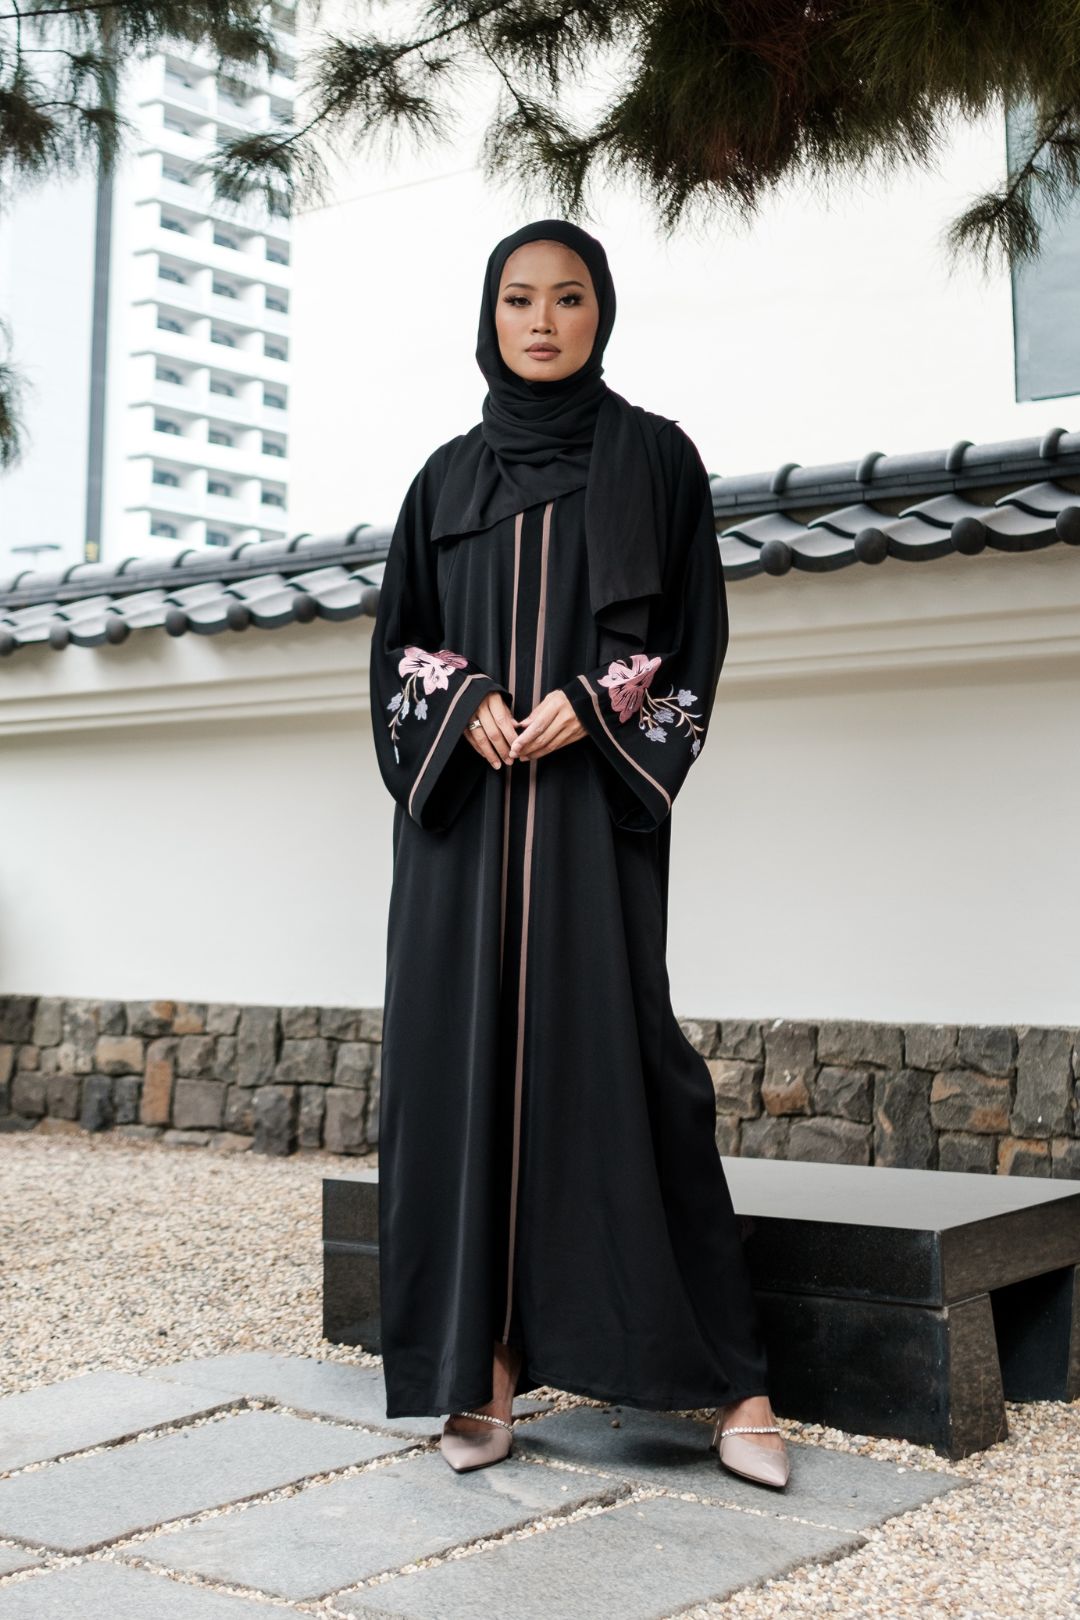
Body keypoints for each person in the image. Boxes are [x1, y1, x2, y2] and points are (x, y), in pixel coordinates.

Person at [368, 218, 789, 1491]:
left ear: (601, 313)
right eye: (517, 299)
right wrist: (464, 700)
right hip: (464, 838)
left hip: (590, 831)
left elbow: (691, 640)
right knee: (462, 1078)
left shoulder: (655, 459)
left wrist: (598, 706)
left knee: (633, 1074)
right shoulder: (444, 479)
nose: (541, 320)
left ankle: (732, 1382)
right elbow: (400, 648)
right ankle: (479, 1367)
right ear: (488, 317)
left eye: (566, 298)